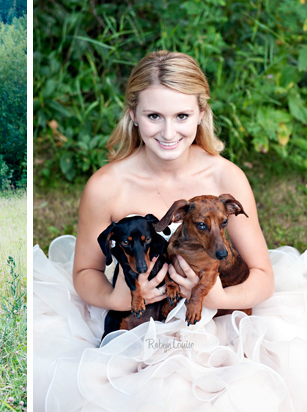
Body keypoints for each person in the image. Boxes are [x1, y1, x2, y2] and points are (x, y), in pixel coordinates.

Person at [33, 51, 307, 410]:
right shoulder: (106, 186)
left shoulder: (224, 177)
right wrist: (120, 298)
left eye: (181, 116)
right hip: (139, 319)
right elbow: (85, 272)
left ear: (201, 114)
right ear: (132, 115)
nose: (167, 132)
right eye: (153, 116)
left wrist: (217, 298)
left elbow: (262, 276)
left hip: (214, 321)